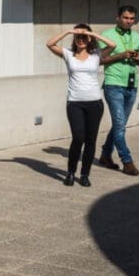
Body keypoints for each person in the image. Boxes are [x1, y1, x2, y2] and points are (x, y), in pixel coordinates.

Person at [46, 24, 118, 186]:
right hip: (75, 103)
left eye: (84, 36)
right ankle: (71, 172)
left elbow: (113, 45)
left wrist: (92, 34)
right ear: (74, 39)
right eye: (78, 37)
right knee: (78, 138)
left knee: (91, 140)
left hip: (95, 104)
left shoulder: (96, 55)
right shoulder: (68, 54)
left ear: (89, 38)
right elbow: (50, 44)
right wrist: (69, 31)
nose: (81, 39)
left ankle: (85, 174)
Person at [98, 5, 139, 176]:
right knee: (120, 125)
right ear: (118, 17)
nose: (129, 21)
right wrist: (120, 56)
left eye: (132, 18)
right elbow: (99, 60)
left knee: (120, 125)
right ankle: (127, 161)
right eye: (126, 18)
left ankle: (105, 155)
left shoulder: (137, 36)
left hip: (132, 86)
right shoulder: (106, 35)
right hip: (113, 85)